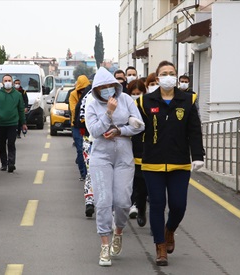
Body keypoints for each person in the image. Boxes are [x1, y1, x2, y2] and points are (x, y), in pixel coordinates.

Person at [136, 60, 204, 266]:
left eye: (171, 73)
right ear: (157, 79)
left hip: (179, 163)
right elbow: (137, 131)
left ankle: (170, 230)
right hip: (152, 163)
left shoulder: (188, 100)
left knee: (178, 205)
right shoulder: (145, 101)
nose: (168, 76)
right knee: (157, 205)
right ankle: (160, 247)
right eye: (164, 73)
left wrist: (198, 155)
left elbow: (194, 130)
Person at [85, 67, 144, 266]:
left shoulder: (126, 99)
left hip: (124, 156)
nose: (107, 91)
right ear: (96, 89)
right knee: (103, 201)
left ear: (115, 86)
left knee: (122, 201)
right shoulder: (92, 104)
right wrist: (108, 114)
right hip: (101, 156)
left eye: (110, 87)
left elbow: (140, 125)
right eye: (102, 88)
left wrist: (120, 130)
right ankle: (104, 245)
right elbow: (94, 130)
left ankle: (118, 231)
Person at [0, 74, 27, 173]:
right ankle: (3, 164)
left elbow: (21, 109)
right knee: (1, 144)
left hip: (13, 123)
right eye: (5, 80)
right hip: (1, 123)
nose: (7, 82)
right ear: (2, 82)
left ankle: (11, 164)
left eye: (9, 80)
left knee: (11, 143)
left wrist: (23, 123)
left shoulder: (18, 95)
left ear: (12, 82)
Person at [127, 80, 148, 226]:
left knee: (154, 190)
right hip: (134, 152)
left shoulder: (150, 106)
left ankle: (156, 222)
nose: (136, 96)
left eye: (138, 94)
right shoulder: (125, 108)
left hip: (152, 152)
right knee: (139, 188)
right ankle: (140, 208)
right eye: (133, 94)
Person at [69, 75, 91, 181]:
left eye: (84, 90)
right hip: (77, 126)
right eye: (81, 90)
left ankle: (88, 173)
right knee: (80, 149)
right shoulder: (73, 94)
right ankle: (83, 173)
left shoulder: (92, 94)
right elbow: (73, 109)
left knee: (88, 150)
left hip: (89, 125)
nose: (83, 92)